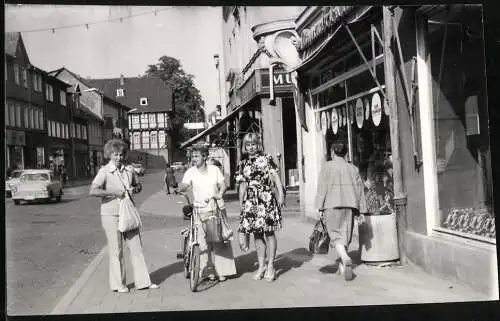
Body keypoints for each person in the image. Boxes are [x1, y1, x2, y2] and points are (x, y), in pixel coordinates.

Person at [89, 138, 159, 293]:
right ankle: (118, 284)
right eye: (115, 155)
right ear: (109, 155)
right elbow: (93, 190)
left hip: (128, 212)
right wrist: (113, 193)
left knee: (136, 247)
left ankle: (143, 282)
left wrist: (136, 189)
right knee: (116, 249)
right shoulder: (104, 171)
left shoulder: (129, 170)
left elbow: (138, 185)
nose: (118, 158)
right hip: (111, 214)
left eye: (121, 154)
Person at [176, 144, 236, 282]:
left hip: (216, 207)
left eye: (196, 156)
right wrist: (180, 188)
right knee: (203, 242)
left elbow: (223, 184)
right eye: (193, 156)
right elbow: (185, 184)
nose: (193, 158)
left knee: (219, 240)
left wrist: (220, 193)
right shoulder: (190, 172)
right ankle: (208, 271)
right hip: (199, 209)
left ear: (204, 157)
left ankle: (222, 271)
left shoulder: (214, 169)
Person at [235, 133, 285, 282]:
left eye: (254, 144)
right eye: (248, 145)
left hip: (266, 199)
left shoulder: (267, 159)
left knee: (269, 233)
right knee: (257, 234)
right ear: (245, 147)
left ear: (258, 145)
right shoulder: (242, 164)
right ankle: (261, 265)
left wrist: (281, 196)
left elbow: (276, 178)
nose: (251, 147)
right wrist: (242, 205)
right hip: (251, 201)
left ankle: (271, 266)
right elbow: (242, 186)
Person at [315, 140, 367, 281]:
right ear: (345, 153)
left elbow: (322, 188)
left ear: (332, 152)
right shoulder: (353, 168)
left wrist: (319, 206)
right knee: (345, 235)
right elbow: (359, 190)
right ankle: (342, 267)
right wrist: (361, 210)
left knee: (336, 236)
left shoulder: (327, 167)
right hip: (350, 206)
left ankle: (344, 257)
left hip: (331, 205)